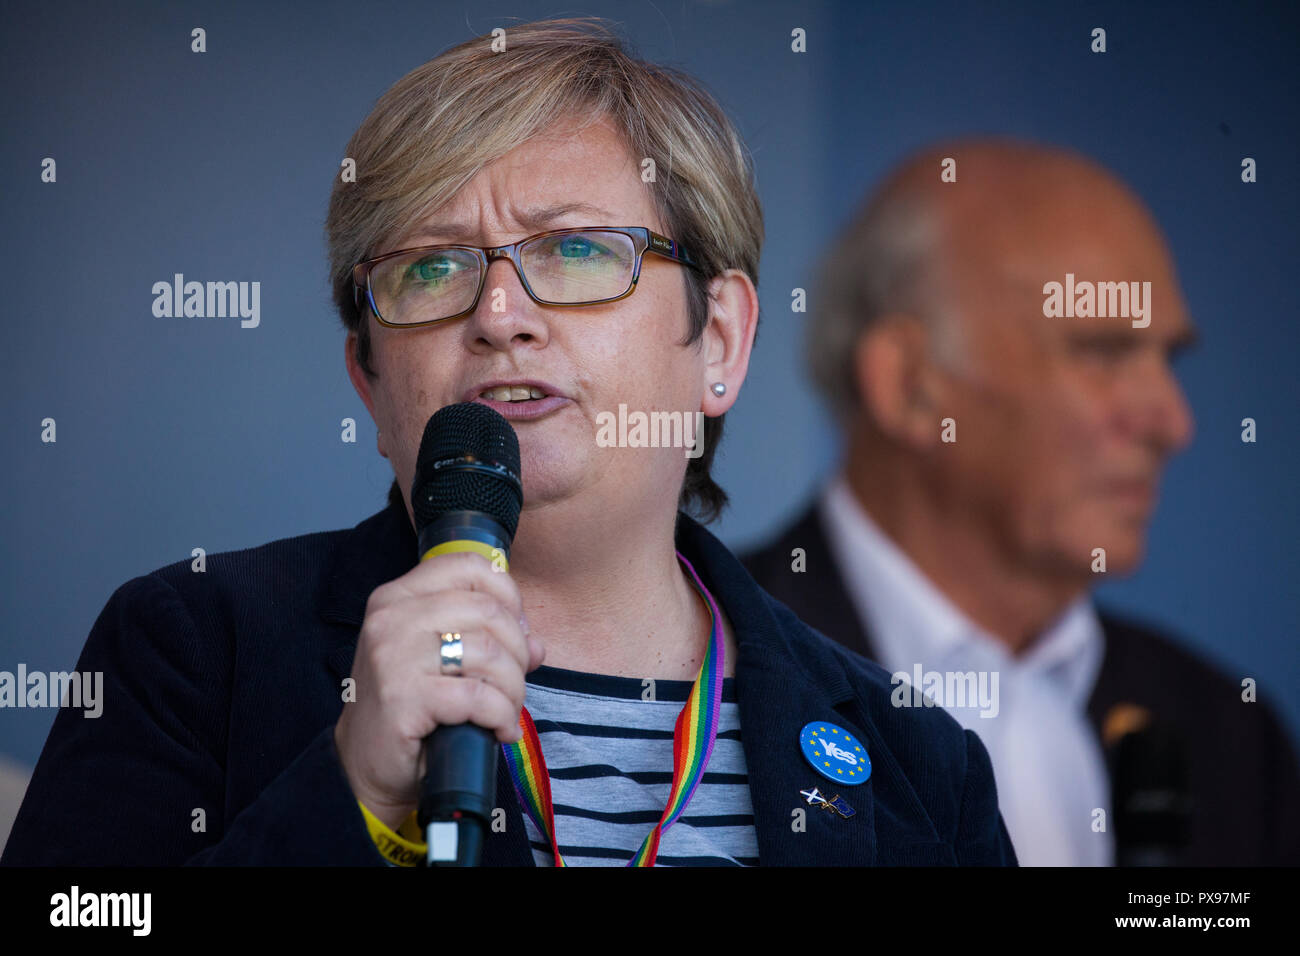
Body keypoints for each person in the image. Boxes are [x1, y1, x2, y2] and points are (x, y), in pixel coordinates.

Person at [1, 19, 1015, 867]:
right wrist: (348, 797)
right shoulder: (192, 649)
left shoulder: (918, 763)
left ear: (720, 340)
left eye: (575, 250)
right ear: (369, 376)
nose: (498, 314)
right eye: (431, 269)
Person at [742, 139, 1300, 865]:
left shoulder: (1227, 731)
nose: (1173, 423)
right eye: (1103, 351)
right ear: (910, 384)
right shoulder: (709, 673)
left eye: (1169, 358)